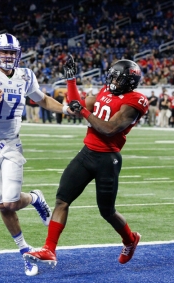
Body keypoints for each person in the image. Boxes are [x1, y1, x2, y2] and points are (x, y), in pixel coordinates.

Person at [0, 33, 75, 276]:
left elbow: (42, 100)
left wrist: (64, 108)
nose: (9, 56)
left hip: (11, 144)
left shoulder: (25, 75)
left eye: (12, 52)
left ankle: (33, 198)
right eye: (4, 52)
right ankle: (25, 250)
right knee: (2, 206)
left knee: (10, 202)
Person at [24, 56, 148, 268]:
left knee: (106, 211)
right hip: (87, 153)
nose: (112, 81)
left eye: (117, 78)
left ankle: (130, 239)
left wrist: (83, 111)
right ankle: (49, 249)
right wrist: (71, 80)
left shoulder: (134, 102)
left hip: (108, 159)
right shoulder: (105, 92)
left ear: (128, 82)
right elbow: (76, 105)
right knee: (62, 199)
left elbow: (109, 128)